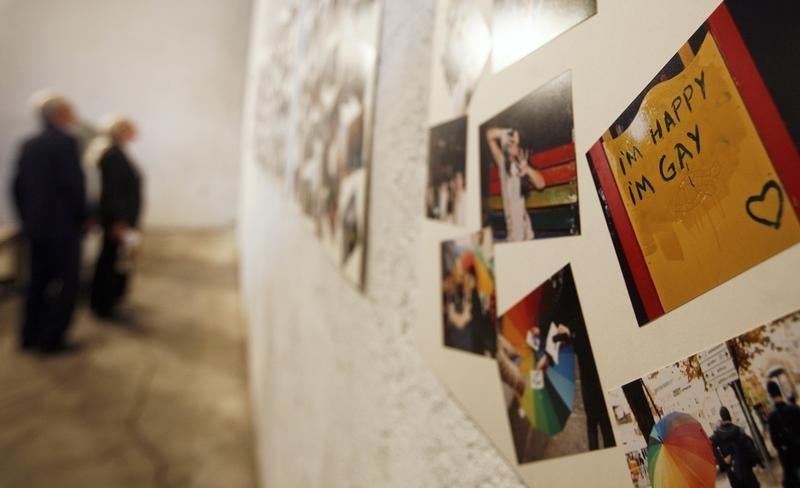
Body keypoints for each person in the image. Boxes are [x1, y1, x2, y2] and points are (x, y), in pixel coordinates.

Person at [11, 91, 86, 353]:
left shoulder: (29, 144)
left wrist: (26, 219)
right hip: (63, 228)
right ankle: (52, 339)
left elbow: (17, 187)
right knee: (66, 283)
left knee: (36, 282)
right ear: (59, 114)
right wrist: (83, 217)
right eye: (70, 110)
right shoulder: (67, 143)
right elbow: (74, 186)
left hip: (36, 227)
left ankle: (29, 335)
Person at [90, 117, 143, 318]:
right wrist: (119, 222)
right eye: (130, 128)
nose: (135, 131)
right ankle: (103, 303)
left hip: (123, 219)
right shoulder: (112, 155)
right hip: (118, 221)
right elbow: (111, 192)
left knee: (118, 259)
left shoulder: (117, 152)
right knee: (110, 259)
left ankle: (110, 299)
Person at [485, 128, 545, 241]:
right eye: (511, 141)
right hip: (511, 235)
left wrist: (528, 170)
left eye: (517, 143)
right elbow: (489, 136)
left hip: (524, 234)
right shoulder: (502, 163)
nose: (513, 145)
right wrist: (504, 132)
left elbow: (541, 184)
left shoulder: (523, 165)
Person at [711, 406, 763, 488]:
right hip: (746, 469)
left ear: (722, 418)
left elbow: (710, 445)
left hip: (732, 472)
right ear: (730, 416)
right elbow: (749, 447)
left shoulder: (717, 434)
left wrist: (722, 460)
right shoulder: (738, 430)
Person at [767, 381, 800, 487]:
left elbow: (775, 442)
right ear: (780, 391)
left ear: (770, 395)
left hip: (788, 460)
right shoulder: (795, 409)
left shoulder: (772, 418)